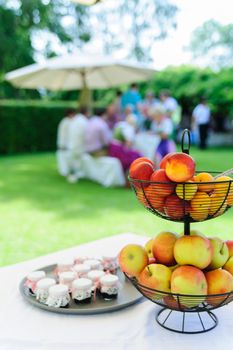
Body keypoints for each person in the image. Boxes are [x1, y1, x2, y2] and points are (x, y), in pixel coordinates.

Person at [66, 106, 89, 182]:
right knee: (78, 162)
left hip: (71, 144)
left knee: (73, 162)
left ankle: (73, 175)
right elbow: (86, 135)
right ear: (87, 113)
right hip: (79, 145)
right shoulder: (84, 121)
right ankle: (76, 176)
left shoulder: (75, 119)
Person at [56, 109, 76, 177]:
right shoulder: (67, 122)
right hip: (64, 145)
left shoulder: (65, 121)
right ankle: (66, 172)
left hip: (63, 144)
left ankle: (66, 172)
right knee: (65, 159)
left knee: (64, 159)